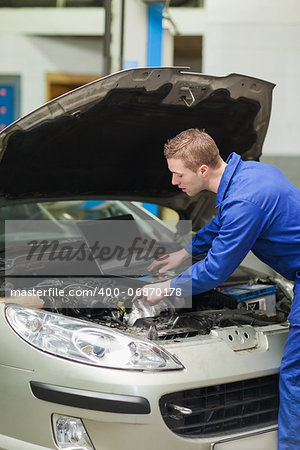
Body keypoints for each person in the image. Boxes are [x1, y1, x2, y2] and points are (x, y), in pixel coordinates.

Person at [133, 128, 300, 450]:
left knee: (295, 377)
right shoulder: (251, 174)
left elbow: (216, 270)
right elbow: (223, 223)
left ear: (203, 170)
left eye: (177, 174)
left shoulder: (245, 201)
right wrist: (185, 252)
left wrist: (168, 288)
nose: (173, 182)